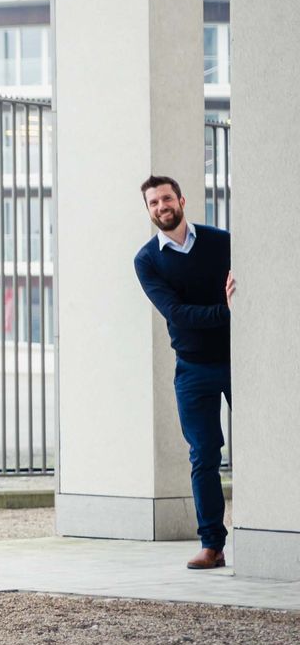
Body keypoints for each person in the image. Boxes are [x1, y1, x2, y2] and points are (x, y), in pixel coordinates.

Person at [132, 174, 235, 571]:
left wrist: (232, 309)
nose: (162, 207)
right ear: (148, 210)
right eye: (154, 203)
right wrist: (226, 311)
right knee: (203, 456)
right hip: (192, 369)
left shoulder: (221, 242)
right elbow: (177, 314)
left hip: (238, 361)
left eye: (166, 199)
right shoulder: (147, 260)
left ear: (181, 200)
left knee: (265, 446)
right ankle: (212, 545)